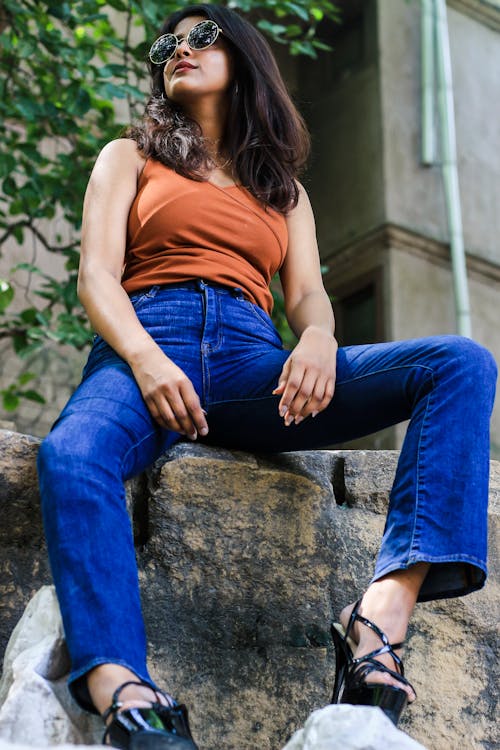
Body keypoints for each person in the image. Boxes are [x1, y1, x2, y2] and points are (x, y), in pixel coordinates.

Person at [37, 4, 497, 749]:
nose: (180, 50)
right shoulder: (128, 157)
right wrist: (148, 361)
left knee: (460, 364)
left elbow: (308, 295)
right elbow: (96, 277)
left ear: (245, 57)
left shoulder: (282, 188)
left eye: (202, 36)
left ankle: (381, 616)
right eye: (168, 44)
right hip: (145, 345)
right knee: (72, 453)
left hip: (258, 364)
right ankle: (120, 685)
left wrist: (317, 338)